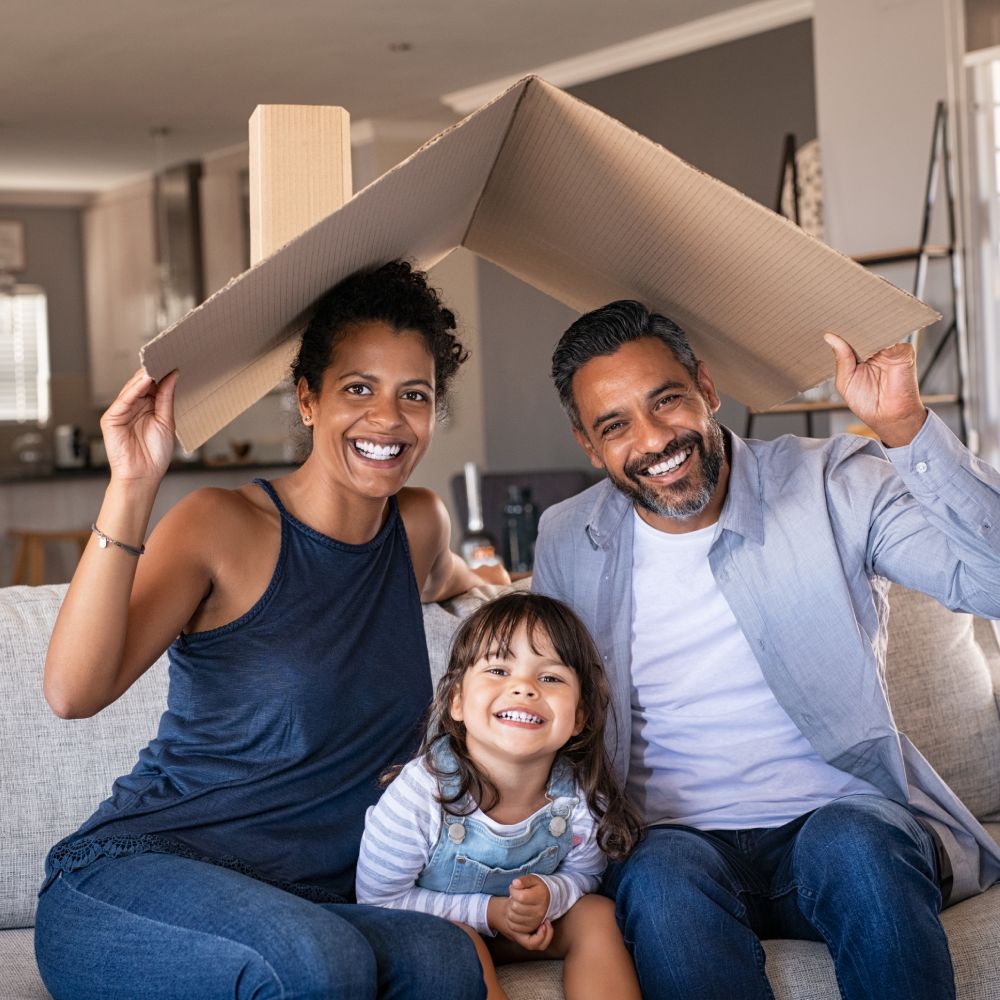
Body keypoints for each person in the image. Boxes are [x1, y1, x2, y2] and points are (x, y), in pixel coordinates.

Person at [35, 260, 502, 1000]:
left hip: (311, 900)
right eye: (359, 389)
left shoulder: (417, 524)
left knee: (447, 959)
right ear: (307, 399)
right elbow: (71, 691)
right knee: (317, 964)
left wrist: (499, 591)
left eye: (414, 395)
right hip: (145, 874)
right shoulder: (222, 526)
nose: (388, 419)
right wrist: (132, 484)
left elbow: (459, 579)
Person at [531, 299, 1000, 1000]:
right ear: (589, 446)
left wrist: (906, 426)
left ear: (708, 389)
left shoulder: (832, 482)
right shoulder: (567, 537)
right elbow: (546, 708)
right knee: (657, 877)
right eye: (616, 425)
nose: (656, 439)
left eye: (668, 402)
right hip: (677, 846)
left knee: (854, 845)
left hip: (842, 822)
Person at [355, 591, 643, 1000]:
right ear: (456, 700)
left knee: (597, 916)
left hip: (523, 929)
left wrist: (549, 894)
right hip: (438, 933)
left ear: (579, 716)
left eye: (550, 677)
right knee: (462, 942)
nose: (524, 687)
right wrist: (490, 914)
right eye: (498, 669)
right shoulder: (421, 794)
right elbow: (378, 901)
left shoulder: (577, 798)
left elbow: (585, 875)